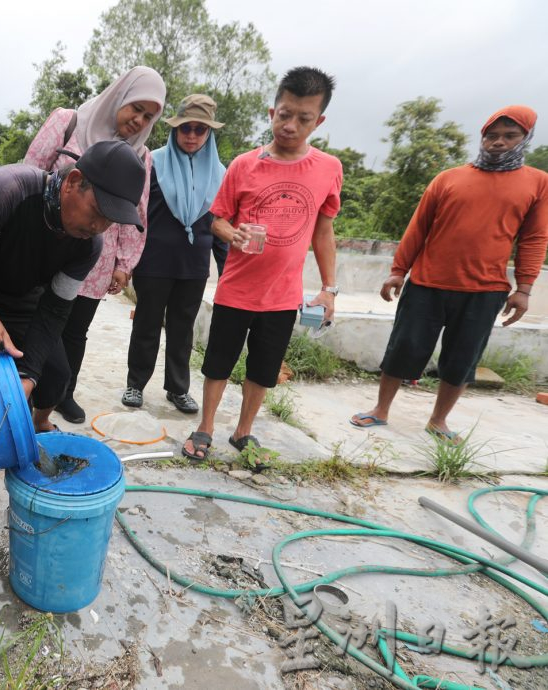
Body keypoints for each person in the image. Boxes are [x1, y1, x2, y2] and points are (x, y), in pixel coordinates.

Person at [0, 140, 147, 542]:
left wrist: (29, 376)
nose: (99, 227)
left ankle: (32, 425)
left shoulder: (90, 244)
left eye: (110, 221)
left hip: (24, 302)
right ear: (74, 182)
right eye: (98, 213)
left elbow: (53, 313)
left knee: (56, 376)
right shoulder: (6, 191)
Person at [349, 106, 548, 442]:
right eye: (492, 135)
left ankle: (438, 420)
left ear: (524, 139)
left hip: (485, 290)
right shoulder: (448, 178)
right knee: (403, 348)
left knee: (462, 358)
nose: (498, 142)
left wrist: (524, 288)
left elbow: (534, 238)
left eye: (509, 136)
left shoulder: (537, 183)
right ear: (482, 137)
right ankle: (380, 410)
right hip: (427, 283)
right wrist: (398, 271)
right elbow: (418, 228)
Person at [182, 67, 343, 462]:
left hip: (283, 296)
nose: (290, 125)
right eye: (284, 114)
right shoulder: (243, 165)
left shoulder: (328, 169)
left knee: (263, 369)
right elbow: (216, 218)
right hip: (237, 288)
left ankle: (243, 432)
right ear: (272, 111)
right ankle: (205, 428)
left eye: (303, 118)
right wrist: (230, 233)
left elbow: (324, 233)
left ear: (318, 121)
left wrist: (329, 288)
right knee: (218, 363)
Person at [23, 66, 165, 425]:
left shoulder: (142, 156)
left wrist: (123, 263)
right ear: (119, 97)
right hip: (46, 247)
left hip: (95, 257)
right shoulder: (68, 123)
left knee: (75, 330)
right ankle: (23, 392)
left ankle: (60, 394)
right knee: (34, 322)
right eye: (135, 108)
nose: (138, 120)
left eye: (148, 116)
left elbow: (139, 210)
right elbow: (28, 174)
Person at [124, 94, 229, 413]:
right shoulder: (151, 161)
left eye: (200, 129)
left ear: (209, 134)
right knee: (146, 325)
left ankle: (178, 389)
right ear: (175, 129)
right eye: (186, 128)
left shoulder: (219, 173)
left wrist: (227, 271)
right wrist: (126, 260)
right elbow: (136, 214)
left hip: (194, 267)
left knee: (183, 332)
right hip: (153, 263)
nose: (192, 136)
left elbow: (220, 224)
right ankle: (135, 384)